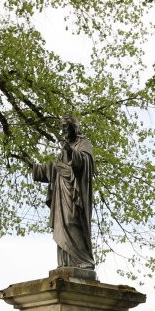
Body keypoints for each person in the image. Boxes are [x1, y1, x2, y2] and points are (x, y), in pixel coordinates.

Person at [32, 116, 96, 270]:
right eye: (62, 127)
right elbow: (55, 167)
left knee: (71, 221)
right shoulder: (65, 148)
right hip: (61, 192)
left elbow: (85, 162)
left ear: (74, 127)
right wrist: (35, 168)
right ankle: (66, 262)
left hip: (75, 193)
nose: (64, 130)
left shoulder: (83, 143)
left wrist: (71, 152)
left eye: (67, 127)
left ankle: (84, 260)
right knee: (61, 224)